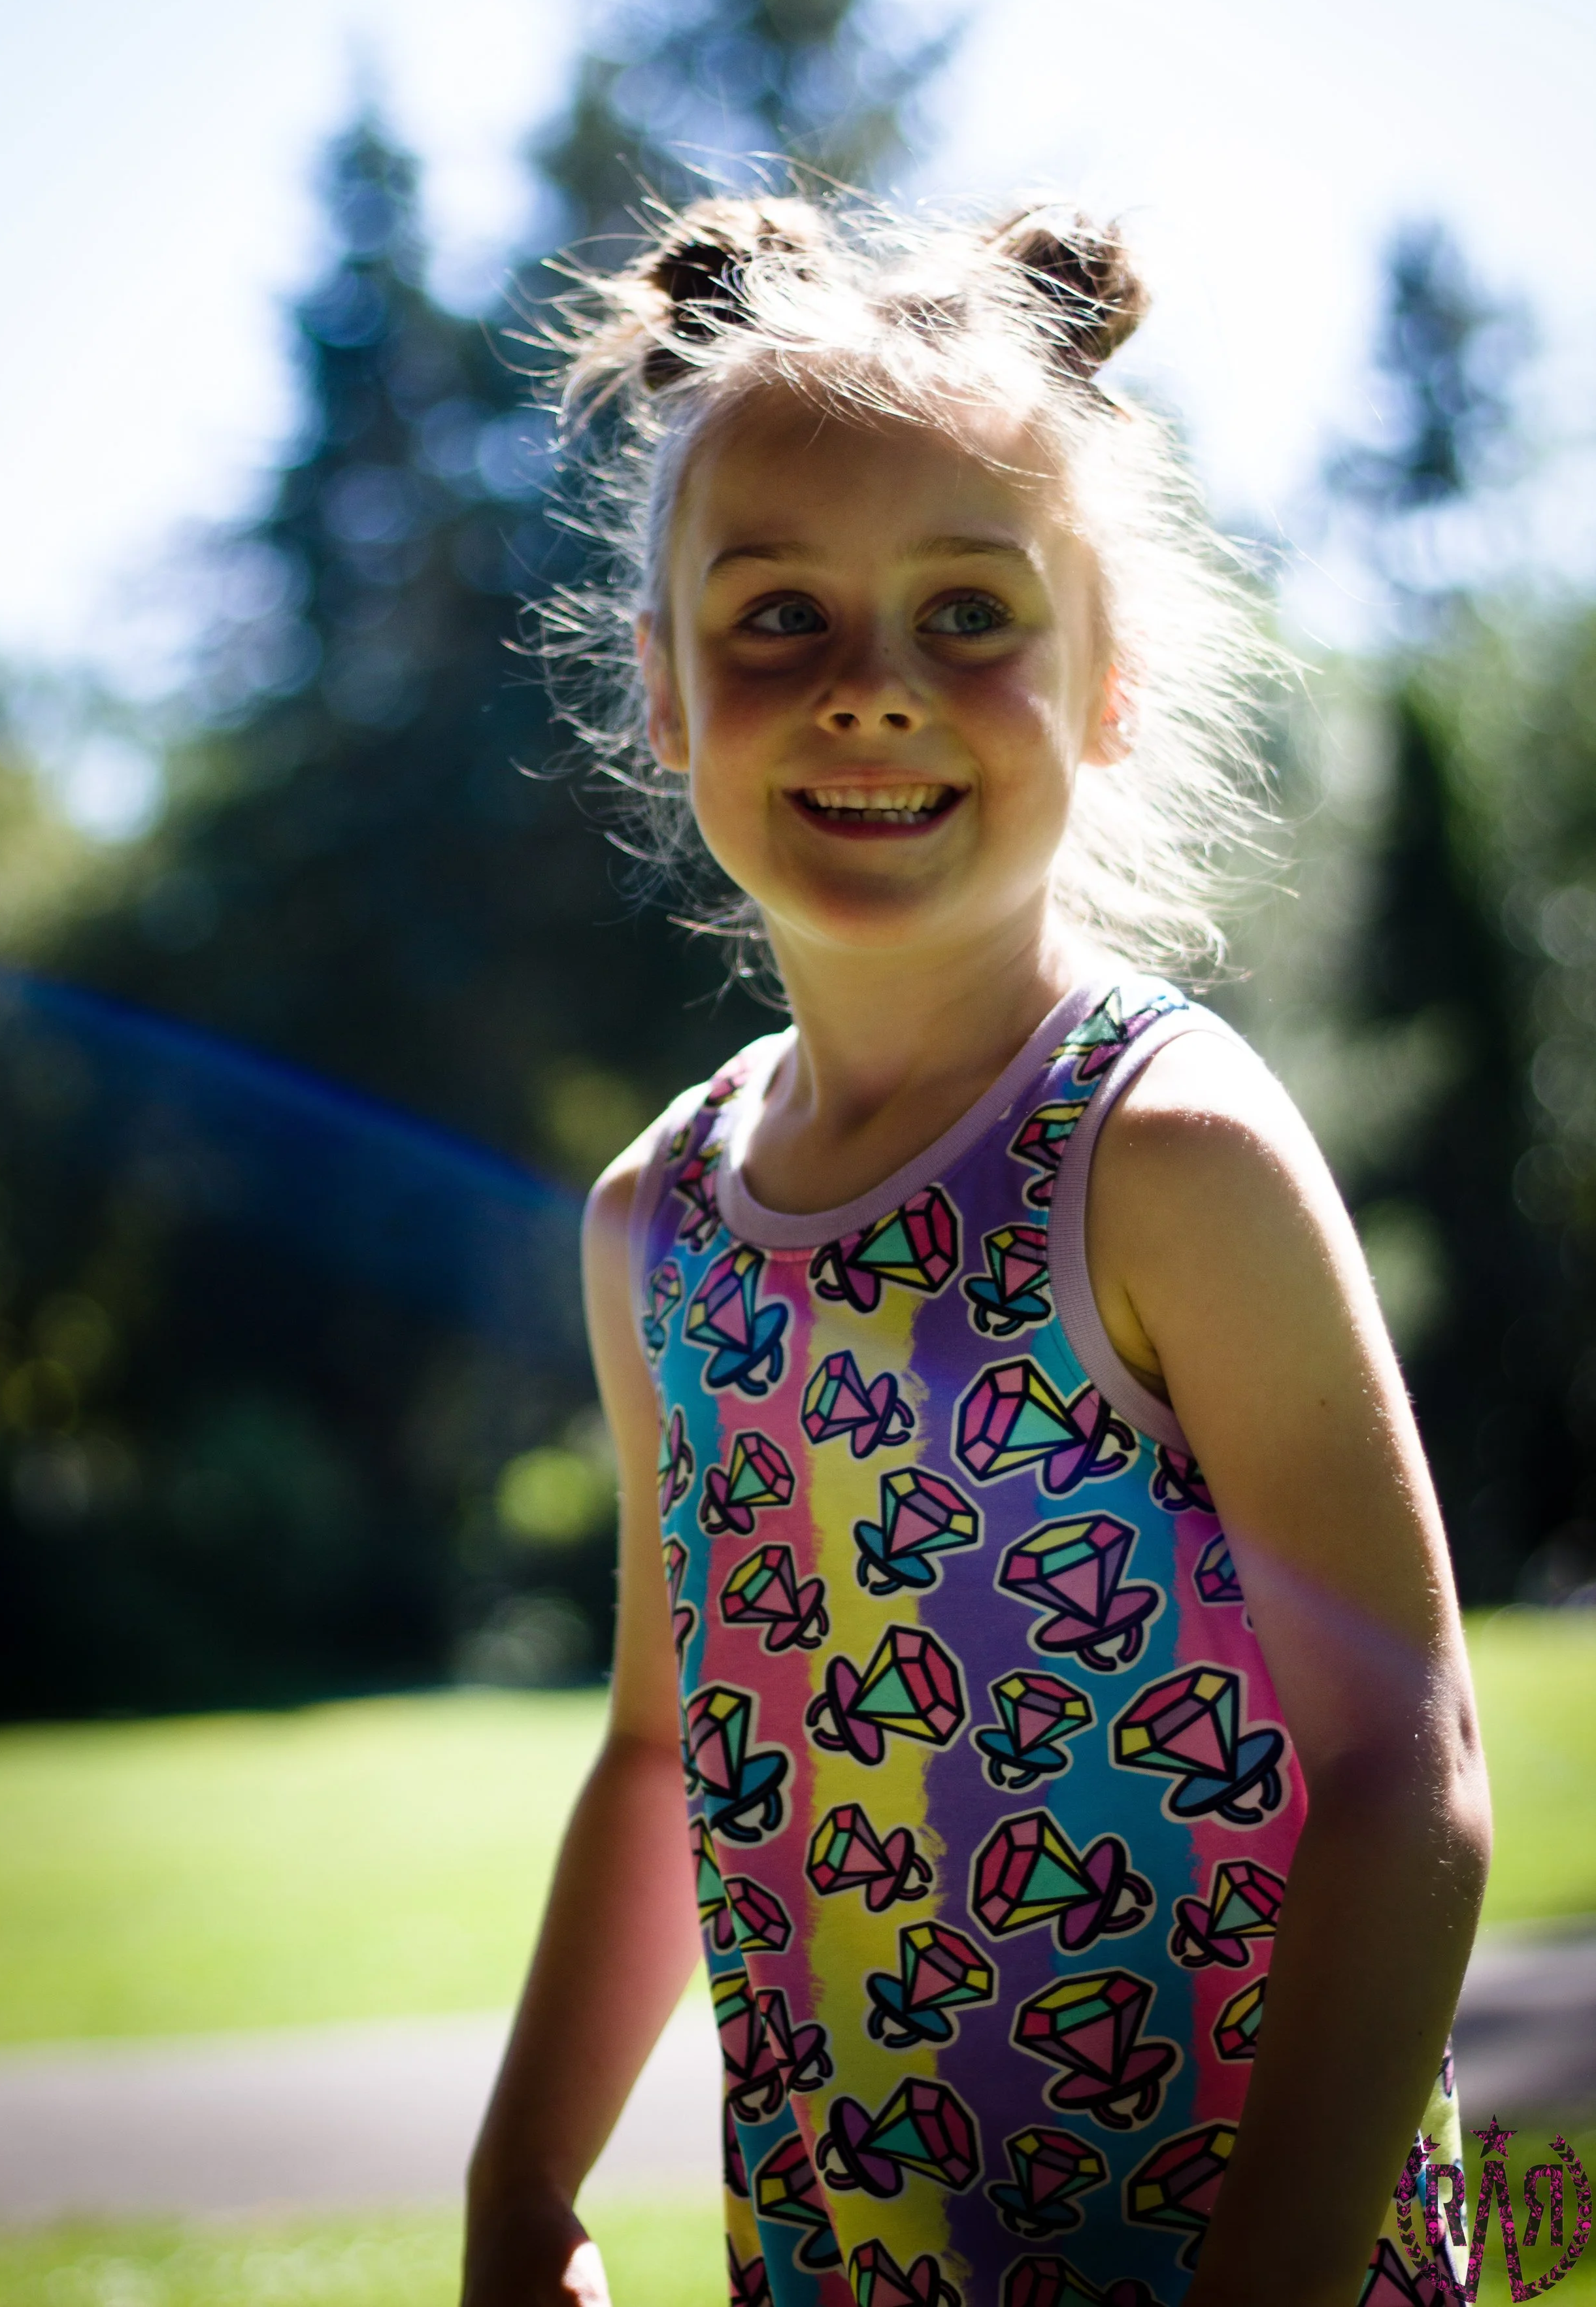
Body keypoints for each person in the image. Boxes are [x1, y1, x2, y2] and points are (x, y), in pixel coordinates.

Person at [461, 196, 1491, 2307]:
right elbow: (663, 1748)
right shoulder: (656, 1222)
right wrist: (522, 2180)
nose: (869, 690)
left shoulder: (1162, 1152)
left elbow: (1405, 1769)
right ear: (660, 693)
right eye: (777, 617)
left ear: (1102, 687)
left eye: (966, 612)